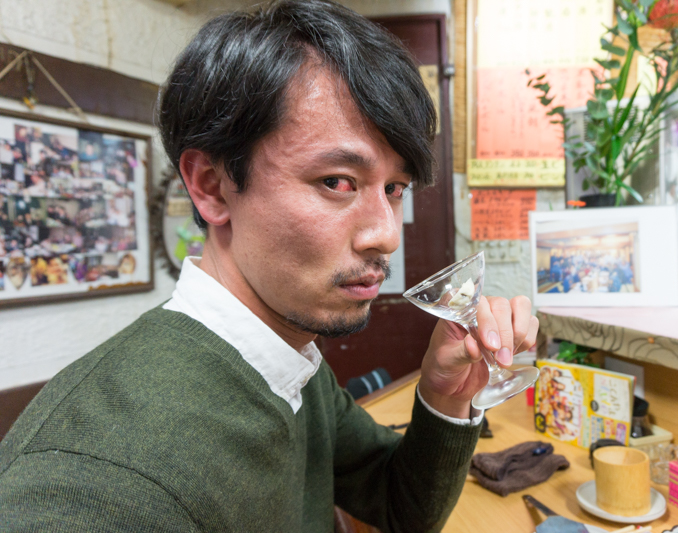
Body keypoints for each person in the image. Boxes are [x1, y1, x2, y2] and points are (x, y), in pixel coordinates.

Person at [0, 1, 538, 531]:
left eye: (394, 188)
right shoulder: (94, 483)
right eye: (337, 182)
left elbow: (399, 506)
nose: (387, 236)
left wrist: (444, 394)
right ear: (213, 187)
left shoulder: (289, 360)